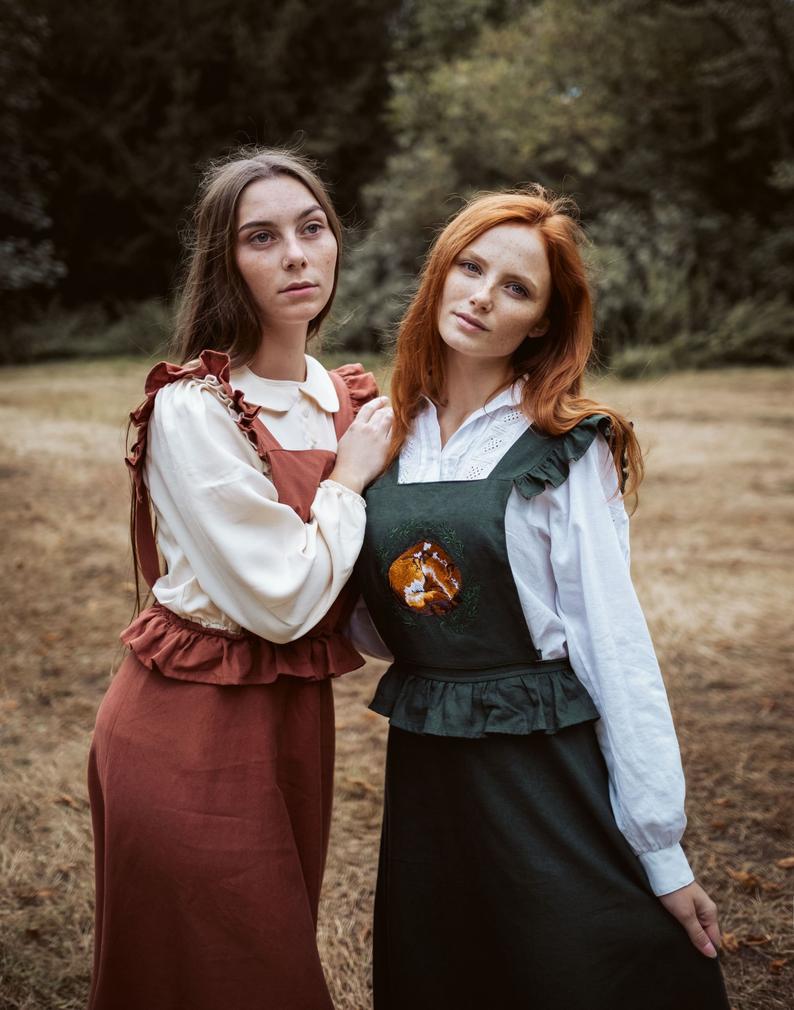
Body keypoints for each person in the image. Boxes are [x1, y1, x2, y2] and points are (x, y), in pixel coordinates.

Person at [354, 188, 731, 1009]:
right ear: (440, 274)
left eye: (517, 289)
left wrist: (662, 852)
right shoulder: (384, 434)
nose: (484, 295)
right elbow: (376, 629)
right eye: (471, 266)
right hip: (427, 759)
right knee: (446, 967)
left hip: (540, 757)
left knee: (578, 965)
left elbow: (614, 645)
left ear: (542, 325)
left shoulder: (561, 446)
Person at [86, 148, 392, 1010]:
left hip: (293, 726)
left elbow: (370, 585)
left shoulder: (343, 398)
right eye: (263, 237)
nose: (297, 254)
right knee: (246, 978)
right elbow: (285, 602)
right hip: (190, 730)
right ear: (226, 261)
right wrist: (349, 479)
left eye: (313, 227)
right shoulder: (196, 408)